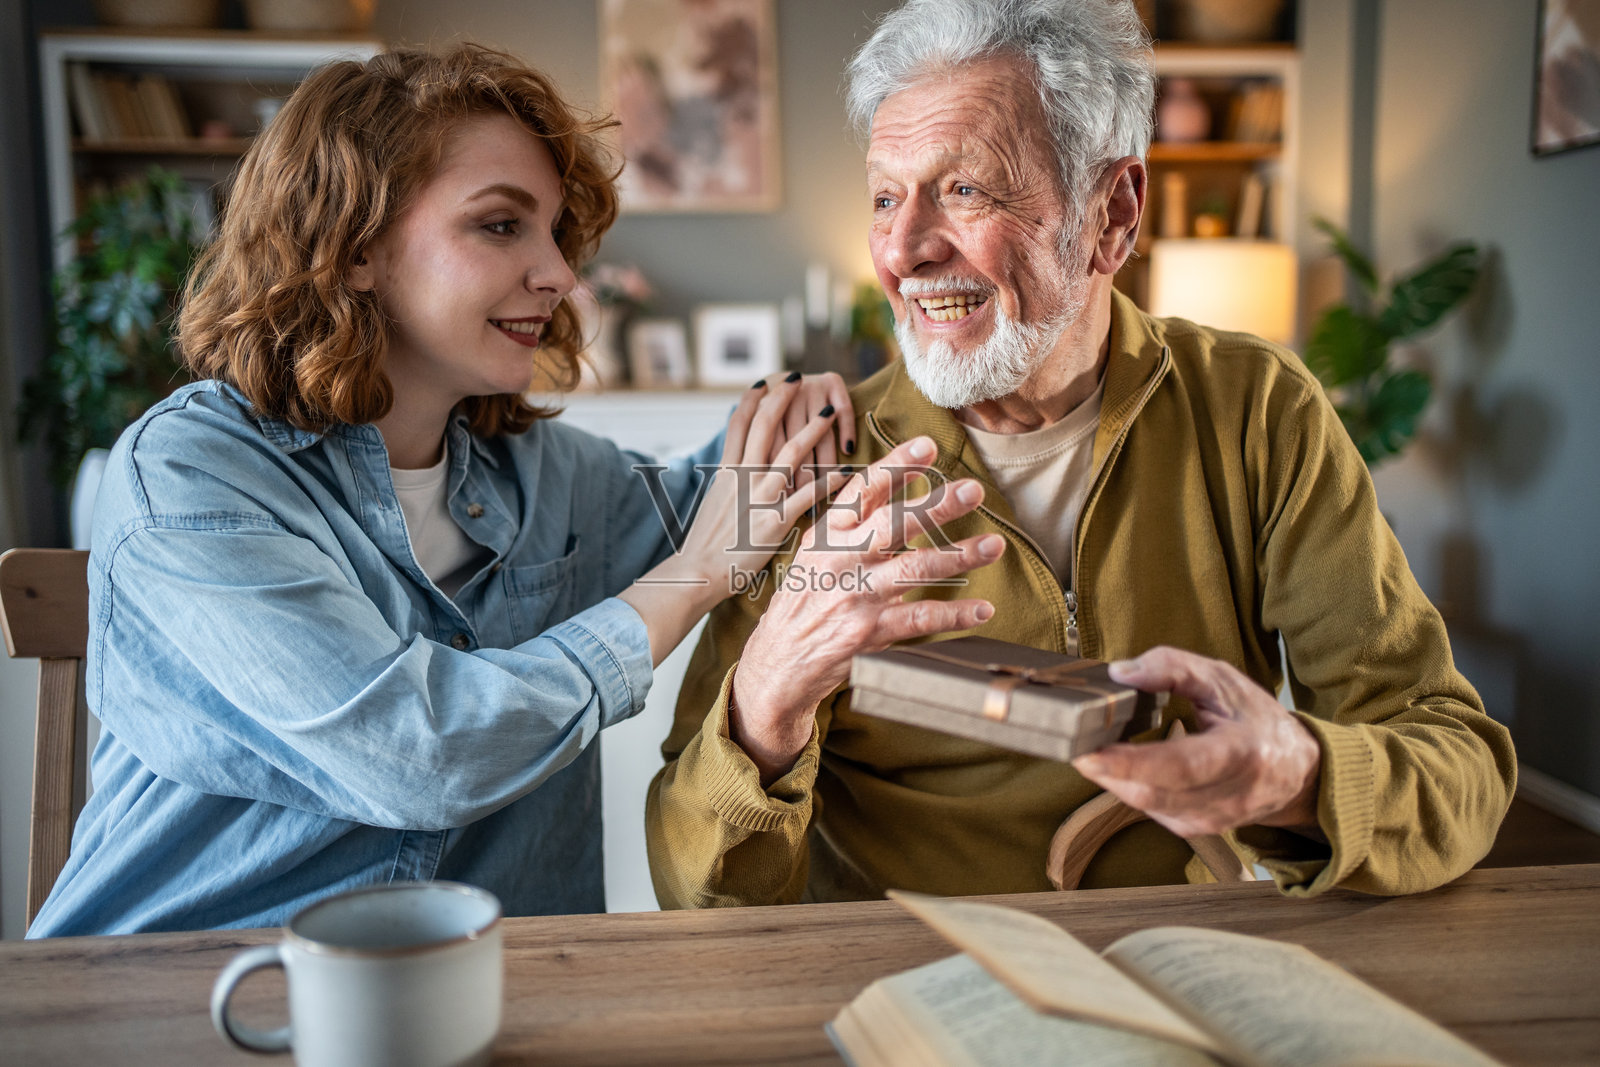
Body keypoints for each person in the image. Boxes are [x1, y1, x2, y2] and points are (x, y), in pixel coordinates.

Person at [645, 0, 1515, 906]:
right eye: (884, 196)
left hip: (1179, 959)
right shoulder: (807, 463)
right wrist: (763, 710)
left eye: (965, 189)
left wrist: (1294, 775)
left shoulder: (1258, 409)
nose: (903, 250)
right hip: (909, 978)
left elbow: (1457, 764)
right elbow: (689, 883)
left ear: (1113, 213)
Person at [28, 44, 854, 936]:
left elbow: (732, 495)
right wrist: (692, 577)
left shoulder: (551, 474)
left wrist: (831, 406)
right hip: (178, 998)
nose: (560, 274)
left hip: (484, 1006)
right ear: (354, 250)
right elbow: (416, 752)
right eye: (501, 225)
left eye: (552, 232)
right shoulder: (189, 478)